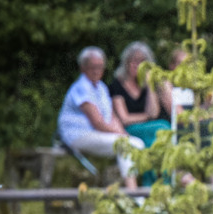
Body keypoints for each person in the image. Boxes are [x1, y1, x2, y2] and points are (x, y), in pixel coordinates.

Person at [57, 46, 145, 190]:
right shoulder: (81, 87)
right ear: (83, 68)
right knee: (128, 145)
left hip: (95, 134)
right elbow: (97, 122)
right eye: (93, 66)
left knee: (135, 144)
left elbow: (111, 117)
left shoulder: (102, 88)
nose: (97, 70)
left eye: (100, 66)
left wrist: (122, 132)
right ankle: (133, 192)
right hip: (78, 136)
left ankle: (126, 190)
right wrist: (122, 135)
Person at [108, 42, 171, 185]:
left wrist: (149, 85)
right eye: (133, 60)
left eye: (141, 61)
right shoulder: (117, 85)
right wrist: (146, 117)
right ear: (126, 62)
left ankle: (158, 182)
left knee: (156, 139)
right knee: (162, 128)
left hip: (147, 129)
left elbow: (153, 112)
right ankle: (155, 183)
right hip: (127, 130)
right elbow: (124, 118)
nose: (136, 65)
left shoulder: (145, 85)